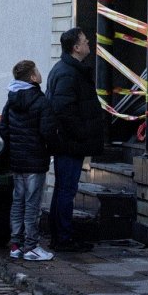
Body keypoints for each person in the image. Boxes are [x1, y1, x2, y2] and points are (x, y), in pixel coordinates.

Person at [46, 28, 104, 252]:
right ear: (76, 48)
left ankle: (61, 235)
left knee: (64, 189)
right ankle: (63, 237)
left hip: (69, 141)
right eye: (85, 40)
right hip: (69, 143)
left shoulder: (69, 70)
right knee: (66, 190)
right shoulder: (68, 72)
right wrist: (82, 134)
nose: (89, 42)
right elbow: (63, 111)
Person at [0, 60, 59, 261]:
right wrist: (52, 150)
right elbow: (48, 132)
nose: (40, 74)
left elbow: (4, 130)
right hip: (35, 160)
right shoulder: (41, 101)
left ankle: (16, 245)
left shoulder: (11, 100)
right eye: (38, 71)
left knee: (18, 201)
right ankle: (31, 246)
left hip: (17, 161)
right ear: (33, 77)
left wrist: (10, 153)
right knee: (33, 203)